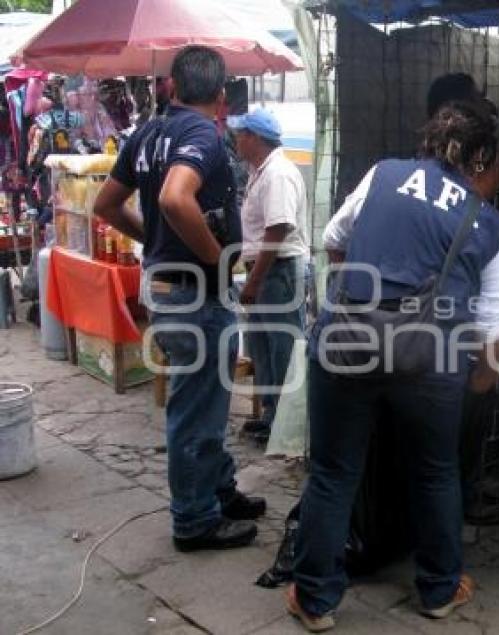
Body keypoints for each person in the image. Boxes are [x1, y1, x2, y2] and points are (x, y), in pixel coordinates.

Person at [287, 99, 499, 632]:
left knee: (334, 473)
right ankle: (438, 590)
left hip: (347, 344)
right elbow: (492, 319)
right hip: (431, 362)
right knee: (436, 472)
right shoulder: (488, 221)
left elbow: (334, 240)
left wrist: (368, 289)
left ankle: (315, 601)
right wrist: (483, 377)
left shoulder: (383, 175)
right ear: (480, 161)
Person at [93, 46, 266, 552]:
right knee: (196, 410)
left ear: (171, 84)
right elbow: (174, 197)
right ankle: (194, 520)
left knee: (207, 402)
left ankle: (218, 489)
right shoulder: (200, 134)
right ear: (220, 96)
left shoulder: (146, 134)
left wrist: (153, 239)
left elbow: (107, 205)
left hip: (172, 290)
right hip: (195, 295)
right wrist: (215, 258)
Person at [228, 108, 308, 441]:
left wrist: (255, 281)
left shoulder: (277, 173)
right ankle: (274, 416)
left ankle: (288, 427)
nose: (235, 140)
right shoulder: (259, 171)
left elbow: (278, 229)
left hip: (279, 272)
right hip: (268, 271)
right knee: (264, 348)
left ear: (253, 138)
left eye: (240, 134)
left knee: (283, 349)